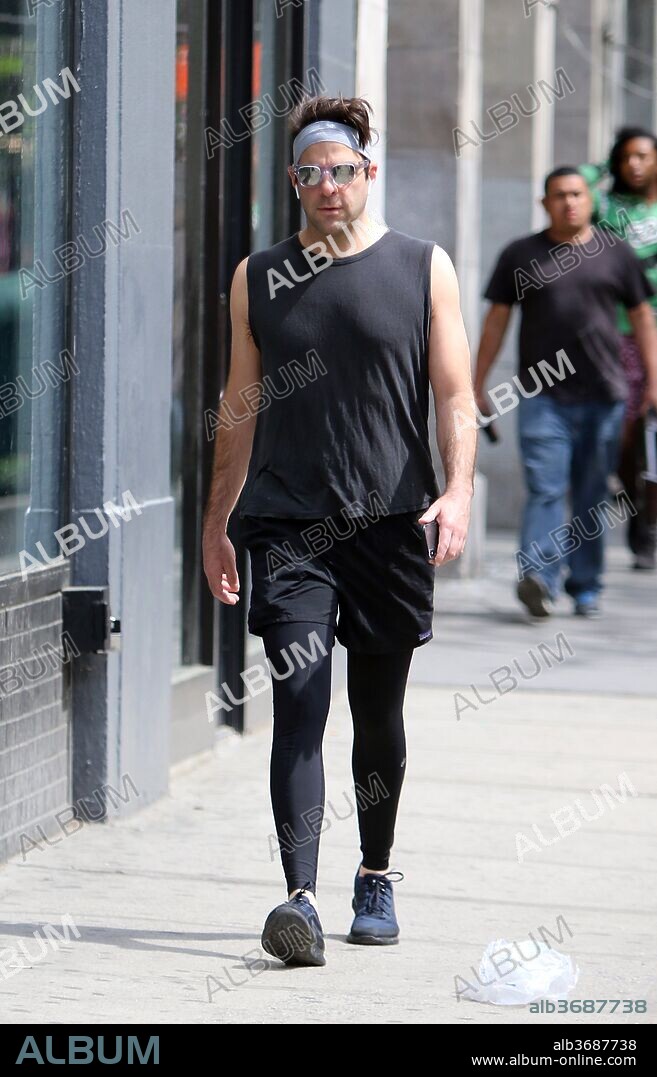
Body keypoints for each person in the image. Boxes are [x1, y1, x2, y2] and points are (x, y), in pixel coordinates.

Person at [202, 94, 475, 967]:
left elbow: (455, 395)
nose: (328, 185)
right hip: (286, 525)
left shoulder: (422, 267)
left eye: (343, 170)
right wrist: (217, 523)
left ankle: (376, 873)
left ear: (369, 173)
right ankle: (300, 898)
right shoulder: (258, 276)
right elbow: (237, 406)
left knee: (376, 714)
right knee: (298, 702)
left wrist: (459, 490)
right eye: (311, 172)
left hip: (391, 521)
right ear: (293, 181)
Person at [474, 167, 657, 619]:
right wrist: (475, 383)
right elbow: (497, 320)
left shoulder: (616, 254)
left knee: (592, 493)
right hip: (541, 397)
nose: (569, 202)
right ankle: (538, 577)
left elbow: (641, 317)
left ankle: (586, 584)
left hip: (605, 396)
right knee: (546, 487)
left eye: (576, 194)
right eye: (559, 195)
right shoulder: (521, 254)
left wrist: (653, 380)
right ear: (544, 203)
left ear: (591, 200)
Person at [580, 128, 657, 569]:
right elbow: (580, 181)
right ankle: (637, 505)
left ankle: (649, 522)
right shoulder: (608, 206)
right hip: (620, 334)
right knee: (628, 436)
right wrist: (605, 165)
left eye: (643, 156)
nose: (634, 165)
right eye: (626, 157)